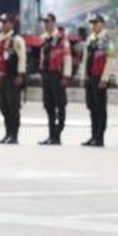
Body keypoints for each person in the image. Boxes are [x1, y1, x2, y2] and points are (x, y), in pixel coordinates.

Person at [79, 13, 113, 147]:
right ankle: (93, 135)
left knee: (100, 107)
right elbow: (85, 59)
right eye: (91, 23)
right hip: (90, 77)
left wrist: (105, 78)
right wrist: (83, 76)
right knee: (92, 107)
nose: (93, 26)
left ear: (102, 24)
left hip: (100, 77)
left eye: (96, 23)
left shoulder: (107, 39)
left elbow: (111, 59)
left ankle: (99, 137)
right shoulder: (90, 39)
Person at [37, 14, 71, 145]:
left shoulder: (61, 38)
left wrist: (66, 76)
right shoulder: (44, 38)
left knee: (60, 105)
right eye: (44, 22)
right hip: (46, 75)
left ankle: (58, 134)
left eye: (48, 22)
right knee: (48, 105)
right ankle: (51, 134)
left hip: (58, 75)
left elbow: (67, 58)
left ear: (54, 23)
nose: (46, 25)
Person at [0, 13, 26, 144]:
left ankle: (14, 135)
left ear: (11, 24)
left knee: (13, 107)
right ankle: (7, 133)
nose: (2, 25)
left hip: (13, 77)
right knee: (3, 105)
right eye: (1, 22)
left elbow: (22, 58)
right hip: (3, 76)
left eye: (5, 22)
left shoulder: (16, 40)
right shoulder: (0, 39)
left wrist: (20, 74)